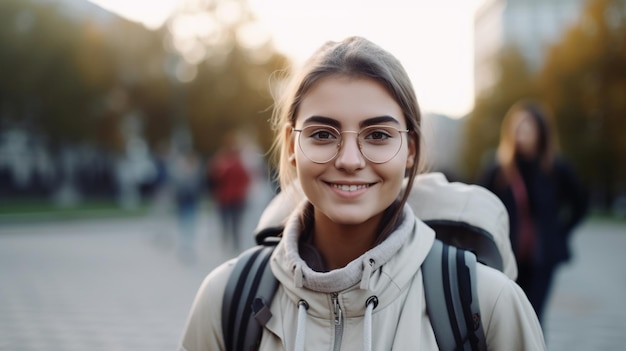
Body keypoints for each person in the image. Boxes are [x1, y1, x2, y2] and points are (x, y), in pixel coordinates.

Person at [179, 36, 546, 350]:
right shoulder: (226, 298)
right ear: (291, 144)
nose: (350, 160)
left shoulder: (487, 304)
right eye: (323, 134)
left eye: (378, 135)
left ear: (411, 150)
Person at [479, 99, 588, 323]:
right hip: (506, 256)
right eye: (518, 128)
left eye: (528, 128)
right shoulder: (498, 169)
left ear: (541, 132)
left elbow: (581, 202)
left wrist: (560, 232)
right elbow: (478, 203)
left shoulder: (556, 168)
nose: (522, 134)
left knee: (533, 317)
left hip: (542, 258)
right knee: (506, 318)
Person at [207, 131, 252, 252]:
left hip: (225, 198)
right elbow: (247, 179)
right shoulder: (239, 163)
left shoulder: (221, 162)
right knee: (235, 222)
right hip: (236, 197)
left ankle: (227, 242)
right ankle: (234, 243)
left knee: (226, 221)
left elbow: (213, 177)